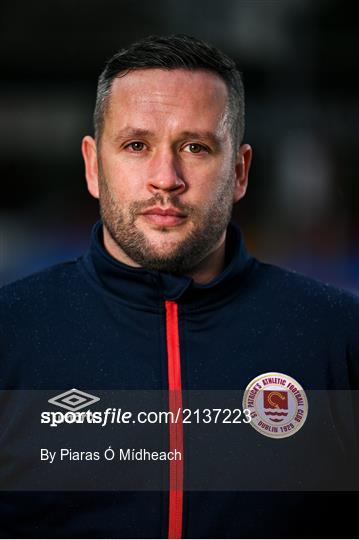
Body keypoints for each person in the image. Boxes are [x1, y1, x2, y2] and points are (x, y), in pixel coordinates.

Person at [0, 34, 358, 539]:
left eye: (195, 147)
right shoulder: (11, 333)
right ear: (92, 165)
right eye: (136, 145)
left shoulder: (338, 339)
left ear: (239, 170)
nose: (165, 178)